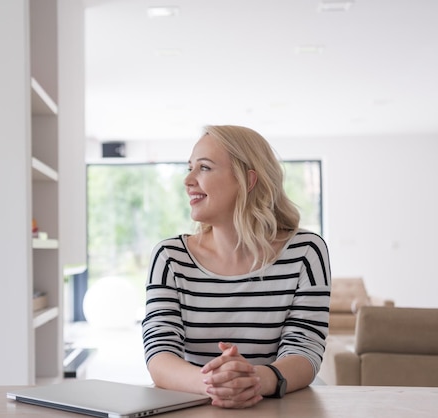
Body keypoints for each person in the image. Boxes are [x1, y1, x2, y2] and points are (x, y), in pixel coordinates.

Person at [142, 125, 331, 409]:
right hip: (195, 406)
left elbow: (305, 348)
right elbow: (159, 353)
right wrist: (213, 384)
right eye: (190, 167)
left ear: (247, 180)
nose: (188, 180)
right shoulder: (169, 257)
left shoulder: (306, 252)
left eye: (204, 168)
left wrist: (257, 380)